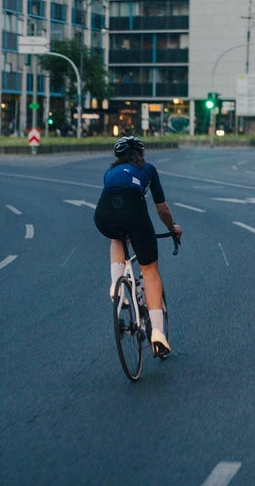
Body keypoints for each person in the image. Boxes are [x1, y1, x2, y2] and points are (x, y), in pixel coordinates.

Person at [94, 136, 183, 357]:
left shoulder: (109, 173)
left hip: (103, 214)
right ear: (140, 155)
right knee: (150, 271)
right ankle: (158, 334)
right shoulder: (149, 169)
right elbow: (161, 209)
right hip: (135, 212)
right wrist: (172, 227)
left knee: (117, 237)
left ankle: (116, 284)